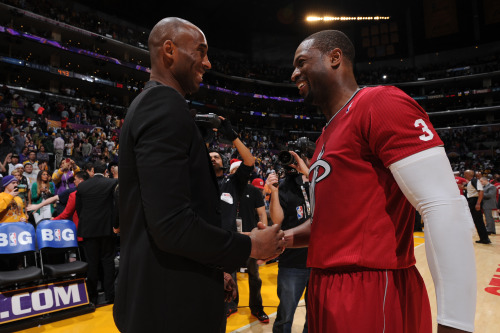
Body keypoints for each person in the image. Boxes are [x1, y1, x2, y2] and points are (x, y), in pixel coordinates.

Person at [280, 30, 476, 333]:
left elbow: (442, 205)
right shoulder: (325, 137)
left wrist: (456, 322)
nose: (294, 74)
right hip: (324, 285)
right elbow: (328, 224)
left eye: (301, 62)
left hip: (373, 287)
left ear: (335, 58)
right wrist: (284, 240)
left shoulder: (380, 103)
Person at [113, 17, 285, 333]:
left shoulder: (150, 105)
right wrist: (250, 246)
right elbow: (171, 225)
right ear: (169, 51)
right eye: (201, 51)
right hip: (170, 310)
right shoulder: (164, 104)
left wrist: (213, 268)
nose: (207, 62)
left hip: (165, 296)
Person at [266, 149, 313, 333]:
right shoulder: (284, 185)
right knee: (285, 316)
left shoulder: (318, 183)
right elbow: (277, 221)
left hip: (319, 262)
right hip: (292, 263)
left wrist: (308, 173)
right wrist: (274, 192)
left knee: (314, 315)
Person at [464, 170, 491, 244]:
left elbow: (481, 191)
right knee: (477, 221)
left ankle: (485, 239)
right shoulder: (471, 182)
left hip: (475, 201)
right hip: (472, 201)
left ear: (467, 174)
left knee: (479, 221)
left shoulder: (475, 180)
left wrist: (478, 203)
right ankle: (483, 238)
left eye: (464, 174)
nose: (463, 175)